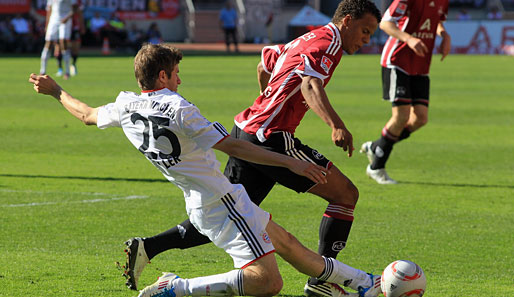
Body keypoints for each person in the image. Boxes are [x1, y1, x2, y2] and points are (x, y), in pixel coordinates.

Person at [29, 43, 382, 297]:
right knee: (268, 283)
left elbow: (86, 114)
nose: (179, 81)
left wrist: (55, 90)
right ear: (164, 75)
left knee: (289, 245)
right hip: (220, 203)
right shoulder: (179, 108)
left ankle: (366, 283)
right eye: (177, 74)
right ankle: (176, 288)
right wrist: (290, 161)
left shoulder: (125, 105)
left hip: (206, 200)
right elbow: (235, 145)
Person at [121, 1, 383, 296]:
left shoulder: (307, 37)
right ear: (346, 21)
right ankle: (323, 281)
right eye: (365, 31)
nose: (366, 40)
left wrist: (267, 100)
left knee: (229, 209)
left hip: (247, 130)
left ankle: (149, 246)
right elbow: (310, 85)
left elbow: (265, 63)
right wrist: (335, 124)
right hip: (271, 137)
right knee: (345, 194)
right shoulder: (329, 42)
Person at [360, 0, 451, 184]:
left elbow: (436, 21)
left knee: (420, 119)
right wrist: (409, 38)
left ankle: (377, 146)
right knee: (401, 116)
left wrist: (444, 35)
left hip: (420, 64)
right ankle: (376, 167)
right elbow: (386, 23)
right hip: (397, 60)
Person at [40, 0, 78, 80]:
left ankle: (67, 72)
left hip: (65, 20)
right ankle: (42, 71)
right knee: (48, 43)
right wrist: (47, 24)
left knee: (63, 43)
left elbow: (75, 8)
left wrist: (67, 17)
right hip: (53, 20)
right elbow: (49, 9)